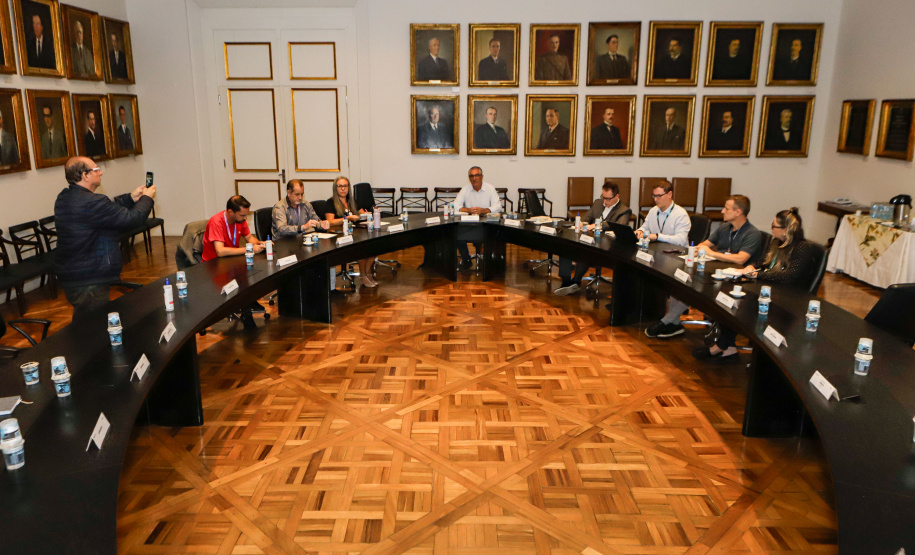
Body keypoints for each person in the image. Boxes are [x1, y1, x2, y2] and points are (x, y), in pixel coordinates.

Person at [696, 207, 814, 361]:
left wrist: (758, 274)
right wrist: (752, 267)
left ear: (786, 230)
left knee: (741, 305)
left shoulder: (802, 248)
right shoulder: (776, 243)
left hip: (789, 298)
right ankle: (727, 346)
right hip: (770, 288)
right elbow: (764, 262)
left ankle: (723, 347)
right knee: (732, 299)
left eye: (774, 226)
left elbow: (789, 277)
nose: (771, 229)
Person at [647, 195, 763, 339]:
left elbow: (741, 259)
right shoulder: (725, 227)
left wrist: (713, 253)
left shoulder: (752, 233)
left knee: (691, 284)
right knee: (680, 277)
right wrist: (700, 250)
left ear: (738, 212)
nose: (722, 211)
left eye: (726, 209)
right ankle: (673, 321)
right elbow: (704, 245)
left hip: (735, 280)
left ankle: (668, 321)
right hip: (715, 270)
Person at [53, 157, 155, 320]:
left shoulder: (66, 196)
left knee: (88, 323)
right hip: (88, 277)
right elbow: (132, 219)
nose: (100, 172)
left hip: (76, 273)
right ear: (85, 175)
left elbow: (109, 212)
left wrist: (131, 198)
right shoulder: (91, 202)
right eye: (96, 169)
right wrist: (147, 198)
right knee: (92, 328)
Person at [554, 181, 632, 296]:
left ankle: (576, 282)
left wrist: (596, 225)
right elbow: (587, 217)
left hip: (607, 247)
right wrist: (582, 223)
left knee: (585, 252)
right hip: (590, 240)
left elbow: (618, 225)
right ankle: (566, 282)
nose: (604, 202)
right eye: (603, 197)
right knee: (566, 245)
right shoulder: (598, 203)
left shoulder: (624, 210)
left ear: (617, 196)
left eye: (608, 199)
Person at [324, 176, 377, 288]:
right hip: (338, 236)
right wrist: (347, 218)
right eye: (340, 186)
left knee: (374, 248)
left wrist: (368, 215)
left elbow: (363, 214)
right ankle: (363, 276)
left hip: (354, 233)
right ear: (335, 188)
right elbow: (329, 222)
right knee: (361, 249)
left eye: (345, 186)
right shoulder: (331, 202)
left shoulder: (352, 201)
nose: (343, 189)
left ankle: (367, 273)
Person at [454, 166, 501, 270]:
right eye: (471, 176)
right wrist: (469, 210)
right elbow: (456, 206)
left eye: (477, 175)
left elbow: (498, 207)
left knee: (494, 234)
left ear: (482, 177)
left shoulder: (490, 188)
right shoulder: (465, 189)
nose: (474, 178)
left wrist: (484, 210)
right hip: (468, 224)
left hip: (485, 225)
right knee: (456, 234)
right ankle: (466, 260)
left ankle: (490, 261)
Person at [201, 195, 265, 262]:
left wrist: (261, 244)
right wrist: (249, 249)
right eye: (242, 215)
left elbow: (249, 238)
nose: (245, 218)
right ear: (231, 212)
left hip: (231, 259)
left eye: (246, 215)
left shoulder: (240, 220)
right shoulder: (216, 222)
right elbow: (220, 251)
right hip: (213, 263)